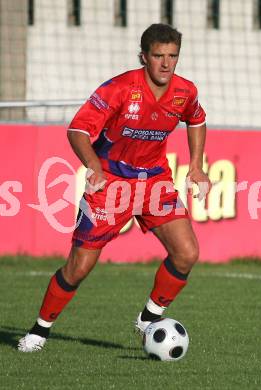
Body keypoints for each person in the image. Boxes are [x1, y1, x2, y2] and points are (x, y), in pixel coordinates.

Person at [18, 23, 211, 352]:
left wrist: (196, 165)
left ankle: (148, 319)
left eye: (172, 56)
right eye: (158, 56)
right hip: (110, 182)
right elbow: (77, 130)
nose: (166, 64)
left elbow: (196, 118)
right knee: (79, 267)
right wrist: (93, 164)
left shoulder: (185, 91)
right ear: (143, 57)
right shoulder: (120, 89)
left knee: (187, 253)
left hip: (154, 182)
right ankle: (39, 330)